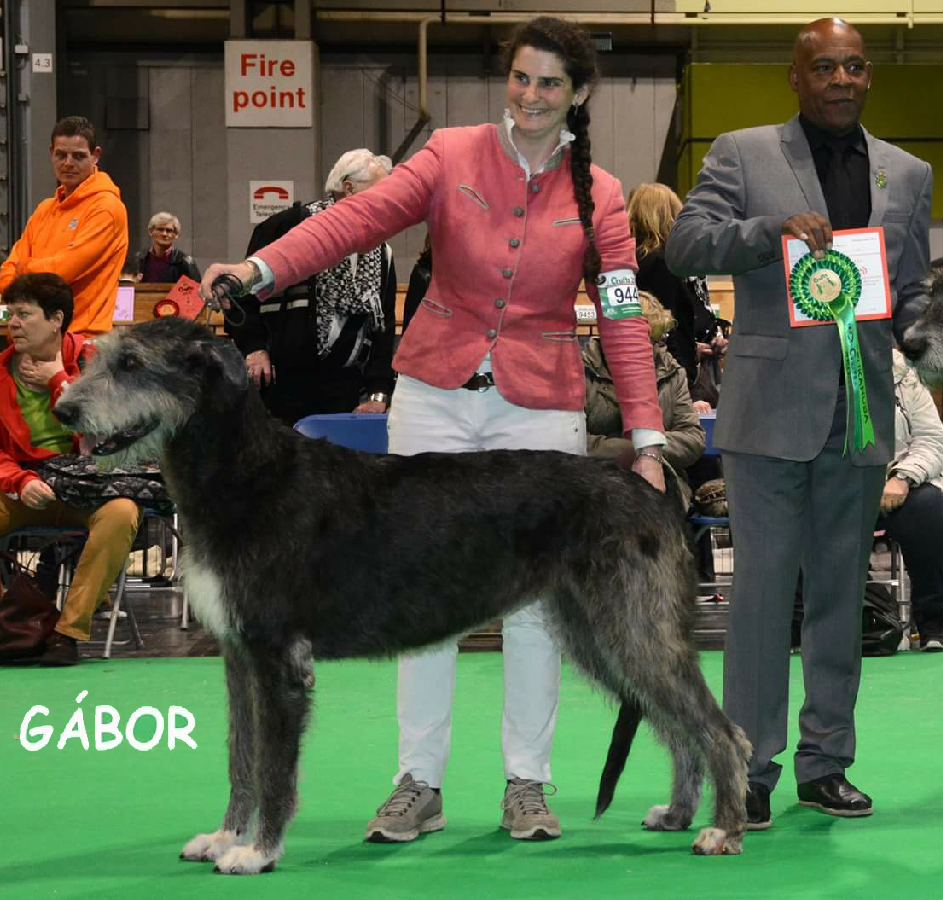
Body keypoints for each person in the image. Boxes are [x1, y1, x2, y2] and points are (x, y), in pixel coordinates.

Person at [201, 15, 666, 845]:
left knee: (538, 604)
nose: (530, 96)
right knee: (416, 589)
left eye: (550, 84)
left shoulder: (601, 195)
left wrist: (648, 439)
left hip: (540, 405)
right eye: (520, 78)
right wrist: (259, 270)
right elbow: (354, 221)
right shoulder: (450, 153)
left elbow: (625, 320)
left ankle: (527, 782)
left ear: (578, 94)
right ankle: (419, 781)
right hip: (434, 394)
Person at [665, 16, 933, 829]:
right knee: (760, 598)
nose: (841, 80)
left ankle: (826, 762)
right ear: (796, 76)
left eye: (854, 66)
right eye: (825, 67)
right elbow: (685, 245)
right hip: (768, 415)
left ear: (869, 76)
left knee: (838, 599)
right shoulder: (742, 153)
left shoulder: (907, 174)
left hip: (861, 415)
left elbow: (911, 289)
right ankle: (747, 765)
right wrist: (765, 233)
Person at [0, 274, 141, 667]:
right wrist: (20, 479)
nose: (13, 323)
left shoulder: (95, 360)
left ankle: (67, 633)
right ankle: (13, 625)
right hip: (24, 487)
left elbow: (110, 428)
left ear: (56, 318)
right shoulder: (0, 370)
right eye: (10, 314)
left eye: (24, 314)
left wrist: (59, 381)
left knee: (122, 513)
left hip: (89, 488)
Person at [224, 149, 398, 425]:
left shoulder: (382, 252)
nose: (387, 204)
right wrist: (253, 346)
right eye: (380, 193)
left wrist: (378, 391)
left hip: (345, 388)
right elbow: (241, 295)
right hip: (283, 381)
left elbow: (383, 325)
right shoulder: (288, 225)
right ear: (349, 188)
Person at [0, 117, 129, 338]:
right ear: (51, 153)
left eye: (78, 156)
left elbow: (61, 273)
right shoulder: (44, 209)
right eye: (61, 155)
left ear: (95, 155)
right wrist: (22, 273)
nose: (68, 163)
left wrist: (24, 268)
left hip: (80, 338)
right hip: (33, 336)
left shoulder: (106, 208)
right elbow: (7, 271)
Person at [585, 291, 705, 514]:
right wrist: (636, 448)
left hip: (661, 484)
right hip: (594, 483)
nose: (646, 349)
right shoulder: (581, 369)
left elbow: (692, 438)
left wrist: (651, 451)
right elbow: (575, 440)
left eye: (654, 340)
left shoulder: (672, 372)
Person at [882, 348, 943, 651]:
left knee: (930, 508)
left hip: (903, 482)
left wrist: (903, 477)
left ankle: (931, 619)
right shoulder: (811, 371)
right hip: (841, 485)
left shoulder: (904, 374)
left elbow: (933, 439)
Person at [628, 182, 707, 384]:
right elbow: (666, 328)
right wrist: (680, 380)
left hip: (639, 367)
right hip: (668, 374)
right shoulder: (662, 264)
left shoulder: (629, 261)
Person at [132, 212, 201, 284]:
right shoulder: (138, 259)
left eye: (169, 230)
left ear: (176, 235)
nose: (164, 234)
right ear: (151, 231)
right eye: (160, 229)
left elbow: (195, 292)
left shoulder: (186, 262)